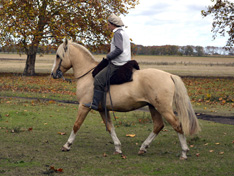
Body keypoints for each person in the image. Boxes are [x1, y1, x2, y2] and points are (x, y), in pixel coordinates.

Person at [84, 13, 131, 110]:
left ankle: (95, 104)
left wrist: (108, 57)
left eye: (109, 24)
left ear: (113, 24)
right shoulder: (123, 32)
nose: (108, 26)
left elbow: (119, 50)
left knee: (98, 79)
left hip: (118, 63)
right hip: (125, 61)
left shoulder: (117, 34)